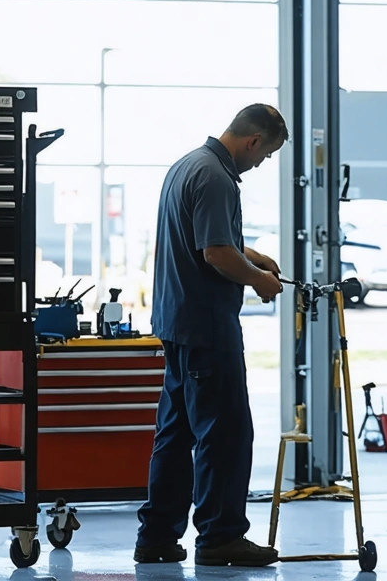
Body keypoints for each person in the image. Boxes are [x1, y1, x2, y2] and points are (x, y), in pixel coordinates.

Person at [135, 104, 288, 567]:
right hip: (206, 327)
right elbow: (216, 253)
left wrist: (254, 255)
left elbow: (211, 238)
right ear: (253, 142)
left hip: (177, 324)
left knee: (176, 436)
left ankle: (157, 538)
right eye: (263, 157)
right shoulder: (218, 178)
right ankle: (221, 537)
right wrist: (258, 280)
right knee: (226, 434)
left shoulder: (187, 166)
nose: (259, 165)